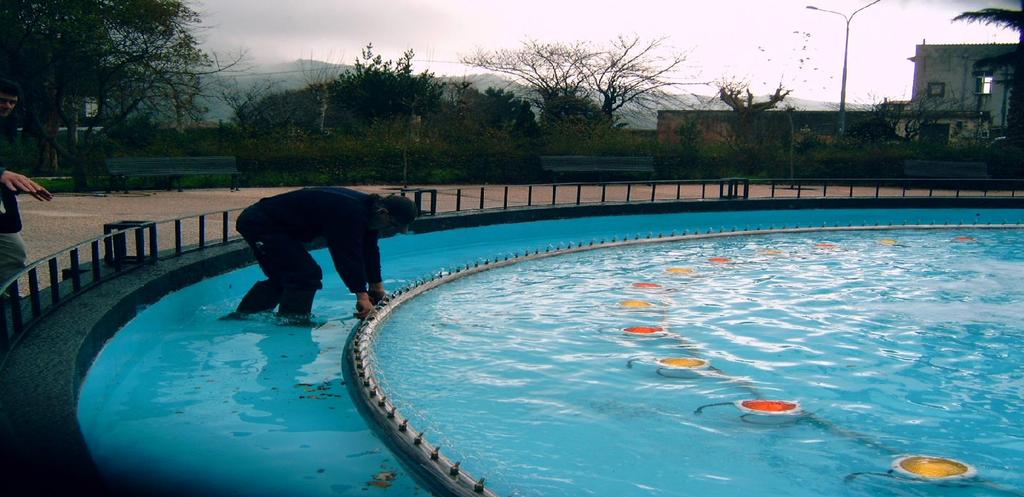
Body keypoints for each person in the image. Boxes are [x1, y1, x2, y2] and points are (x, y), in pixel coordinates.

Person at [234, 187, 418, 320]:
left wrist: (377, 287)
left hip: (278, 227)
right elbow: (346, 254)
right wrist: (361, 296)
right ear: (384, 213)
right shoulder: (350, 213)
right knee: (305, 274)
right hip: (260, 224)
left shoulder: (369, 213)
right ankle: (292, 322)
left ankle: (245, 315)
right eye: (392, 225)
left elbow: (369, 250)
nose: (389, 230)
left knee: (288, 275)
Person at [0, 78, 53, 286]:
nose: (7, 106)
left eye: (12, 102)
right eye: (3, 100)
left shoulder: (7, 126)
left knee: (13, 253)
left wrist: (16, 181)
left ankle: (10, 303)